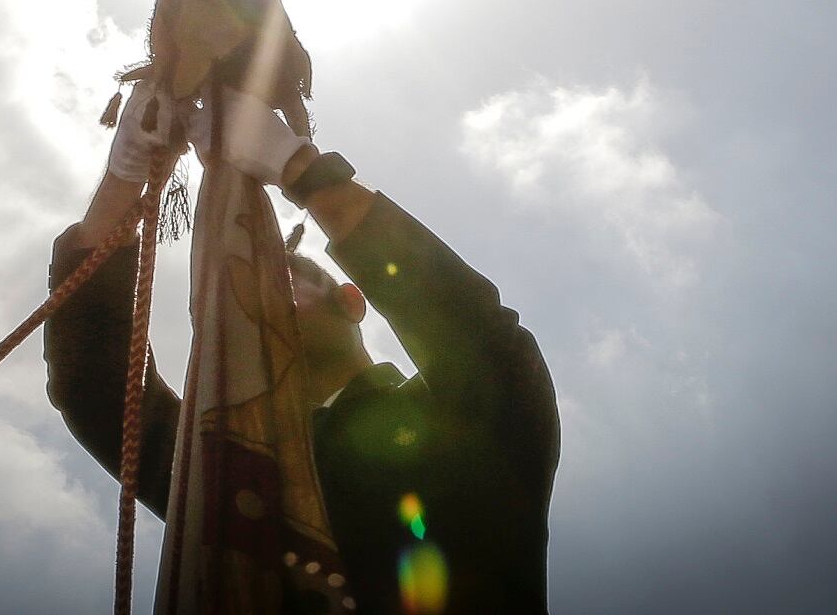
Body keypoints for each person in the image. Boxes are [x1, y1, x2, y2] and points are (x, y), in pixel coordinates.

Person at [45, 82, 560, 614]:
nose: (254, 293)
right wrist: (122, 182)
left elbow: (480, 338)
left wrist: (304, 172)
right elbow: (97, 389)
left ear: (352, 301)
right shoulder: (223, 460)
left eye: (286, 276)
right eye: (238, 288)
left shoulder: (470, 426)